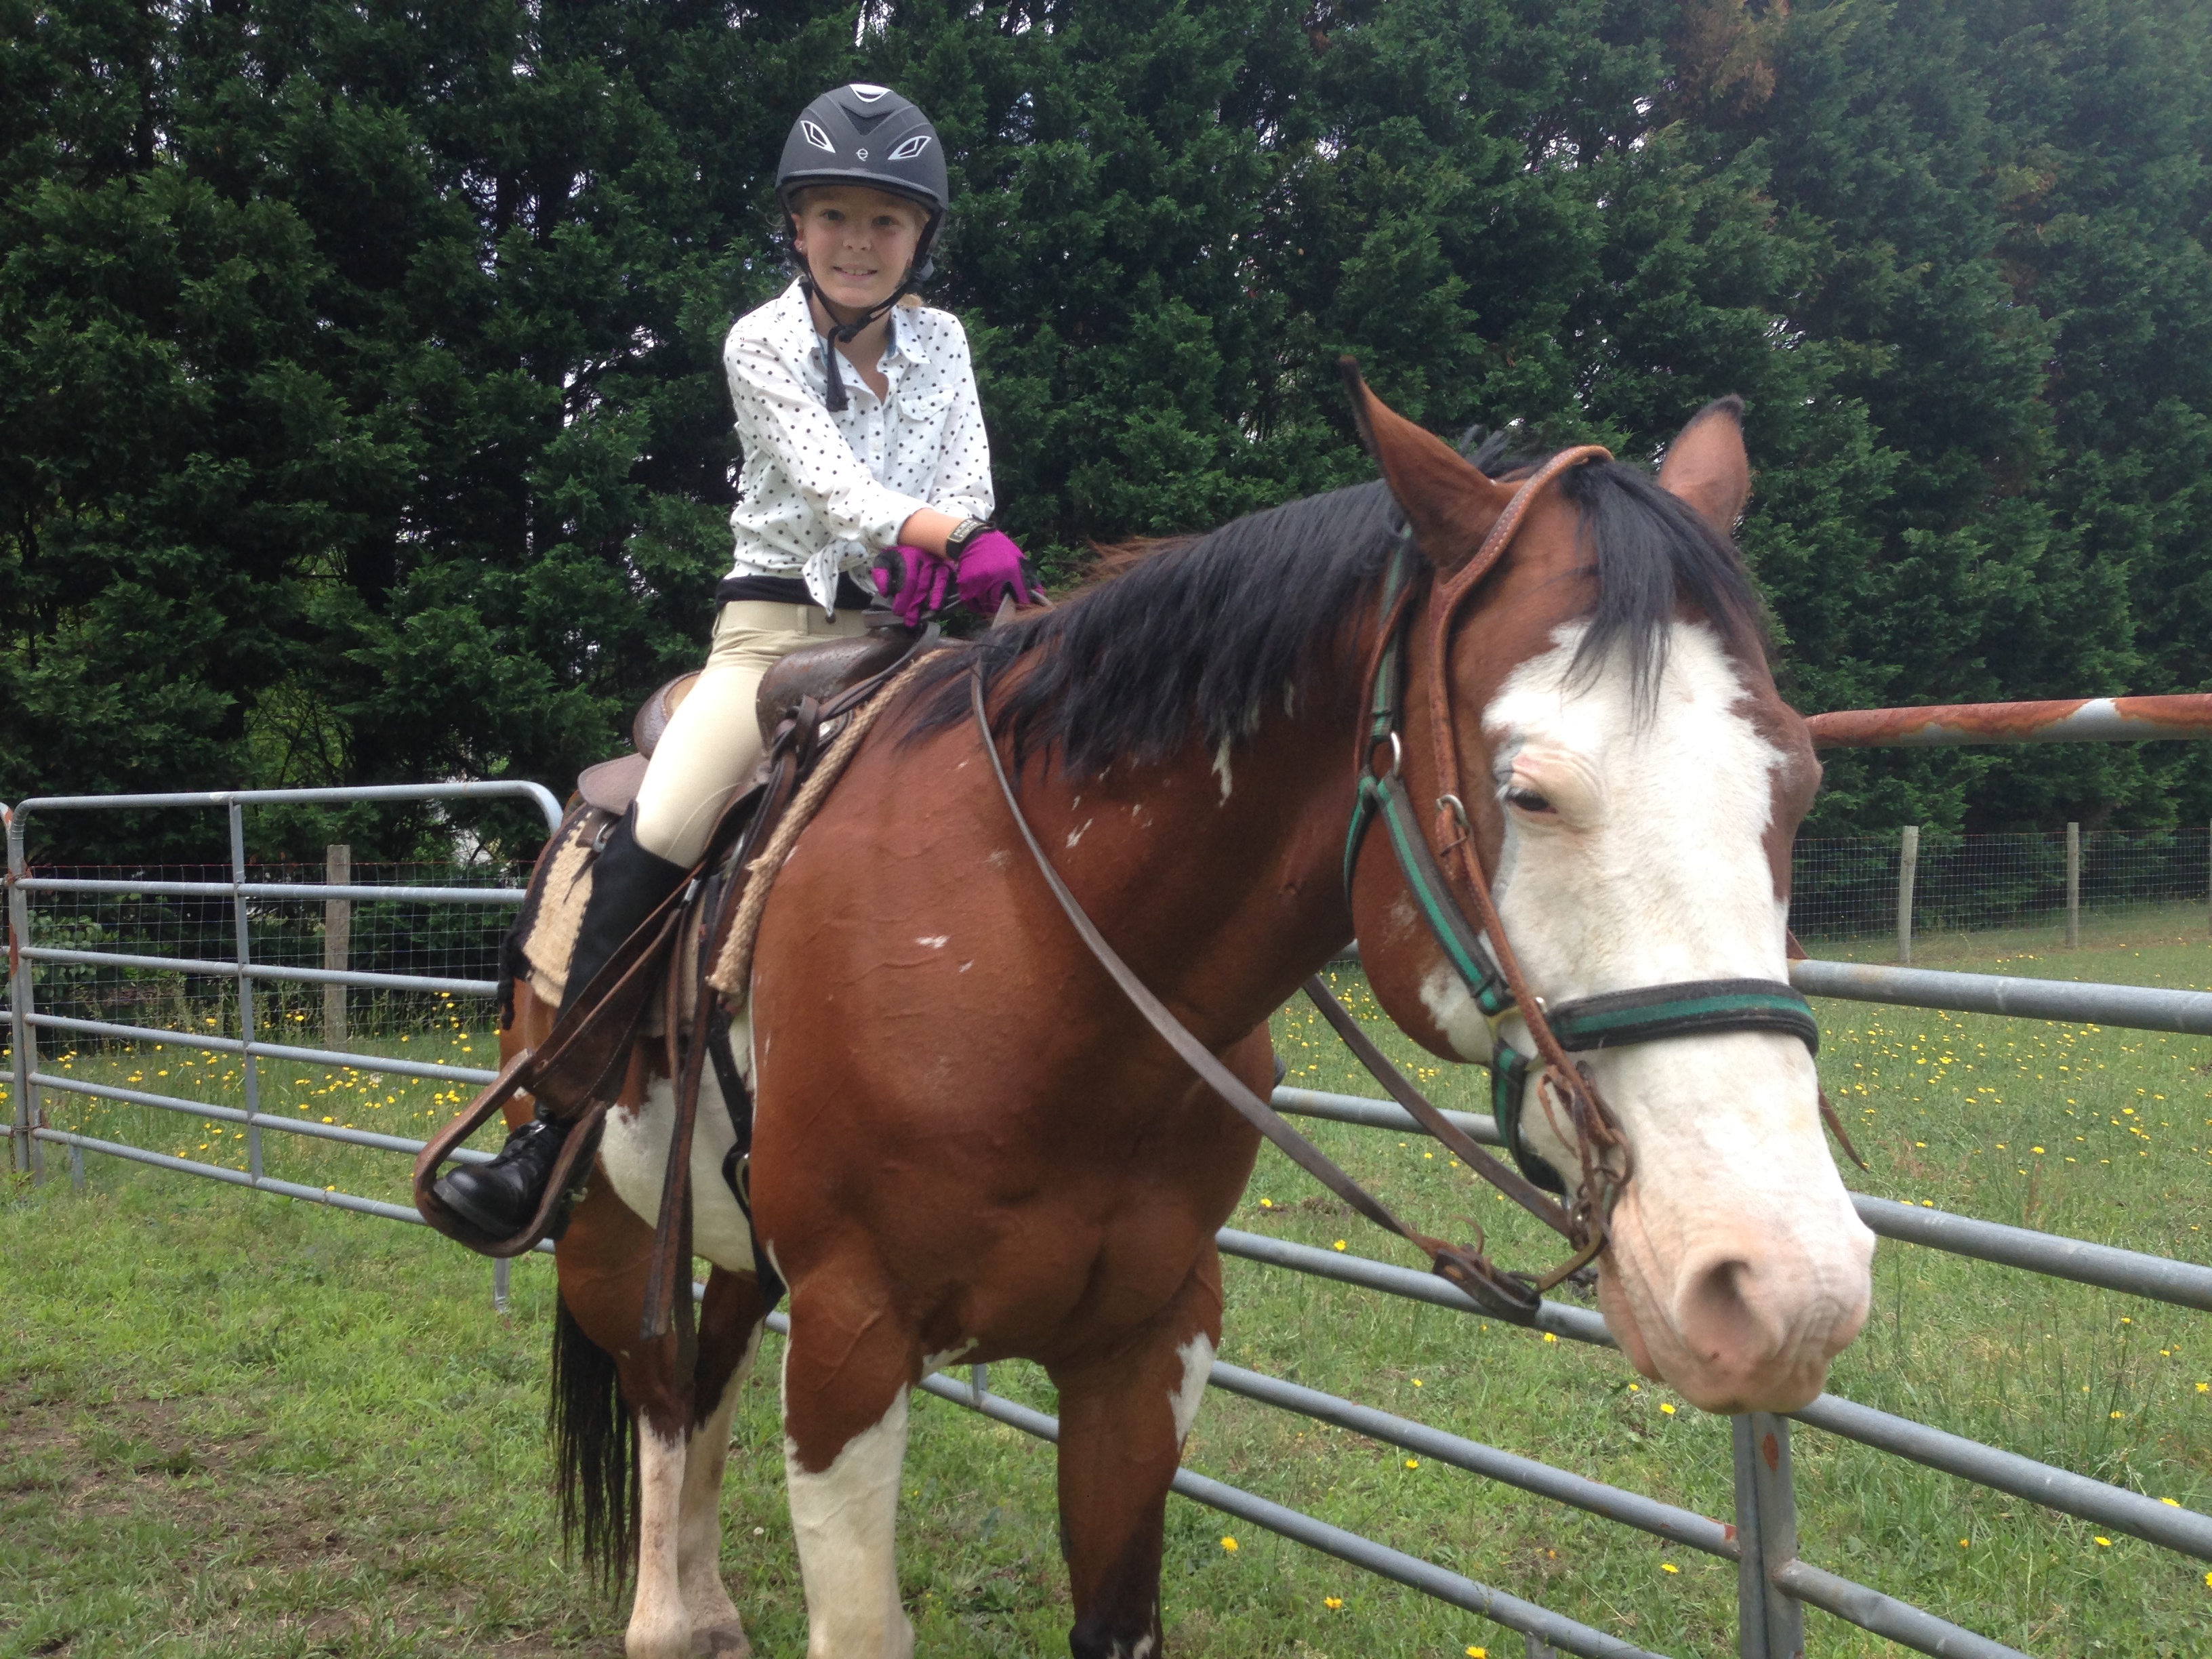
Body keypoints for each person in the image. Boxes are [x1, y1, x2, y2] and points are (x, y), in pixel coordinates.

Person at [436, 83, 1038, 1238]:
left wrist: (956, 552)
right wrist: (946, 537)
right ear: (796, 228)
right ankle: (554, 1130)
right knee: (666, 822)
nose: (857, 242)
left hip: (908, 635)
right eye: (834, 217)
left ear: (920, 238)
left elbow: (966, 477)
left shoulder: (946, 343)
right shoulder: (759, 341)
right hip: (771, 639)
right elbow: (835, 488)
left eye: (885, 221)